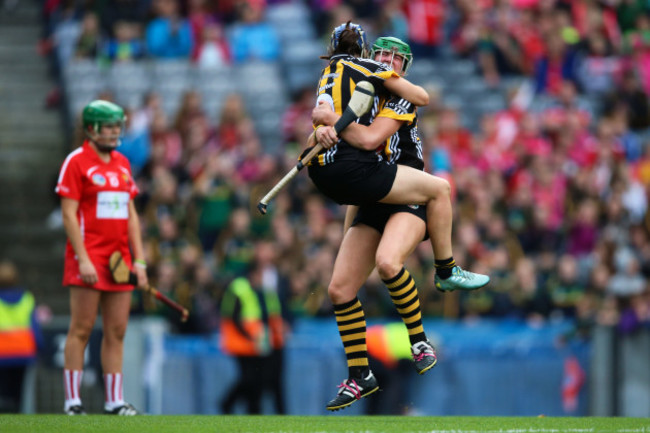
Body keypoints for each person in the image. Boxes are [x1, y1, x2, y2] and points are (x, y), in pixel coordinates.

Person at [307, 25, 489, 411]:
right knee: (340, 289)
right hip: (373, 193)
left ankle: (426, 322)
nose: (387, 63)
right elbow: (334, 139)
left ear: (403, 68)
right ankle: (360, 376)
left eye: (395, 59)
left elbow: (370, 139)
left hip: (407, 195)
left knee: (389, 262)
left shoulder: (399, 98)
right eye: (382, 56)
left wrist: (335, 123)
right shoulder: (360, 90)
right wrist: (320, 133)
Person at [56, 100, 147, 415]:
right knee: (81, 328)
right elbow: (68, 215)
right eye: (108, 127)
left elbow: (132, 215)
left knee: (117, 330)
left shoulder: (122, 162)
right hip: (89, 256)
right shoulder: (76, 162)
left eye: (116, 127)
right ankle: (72, 402)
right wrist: (82, 258)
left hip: (119, 260)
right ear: (92, 129)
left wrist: (140, 260)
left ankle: (114, 401)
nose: (114, 133)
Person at [219, 263, 271, 414]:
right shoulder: (240, 288)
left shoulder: (247, 289)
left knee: (253, 378)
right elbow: (235, 317)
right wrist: (249, 336)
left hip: (248, 342)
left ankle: (252, 409)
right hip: (241, 341)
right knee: (248, 377)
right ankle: (227, 403)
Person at [0, 260, 42, 413]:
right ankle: (16, 412)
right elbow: (34, 326)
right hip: (22, 351)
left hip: (2, 352)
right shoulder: (26, 298)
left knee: (4, 390)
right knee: (18, 389)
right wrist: (39, 346)